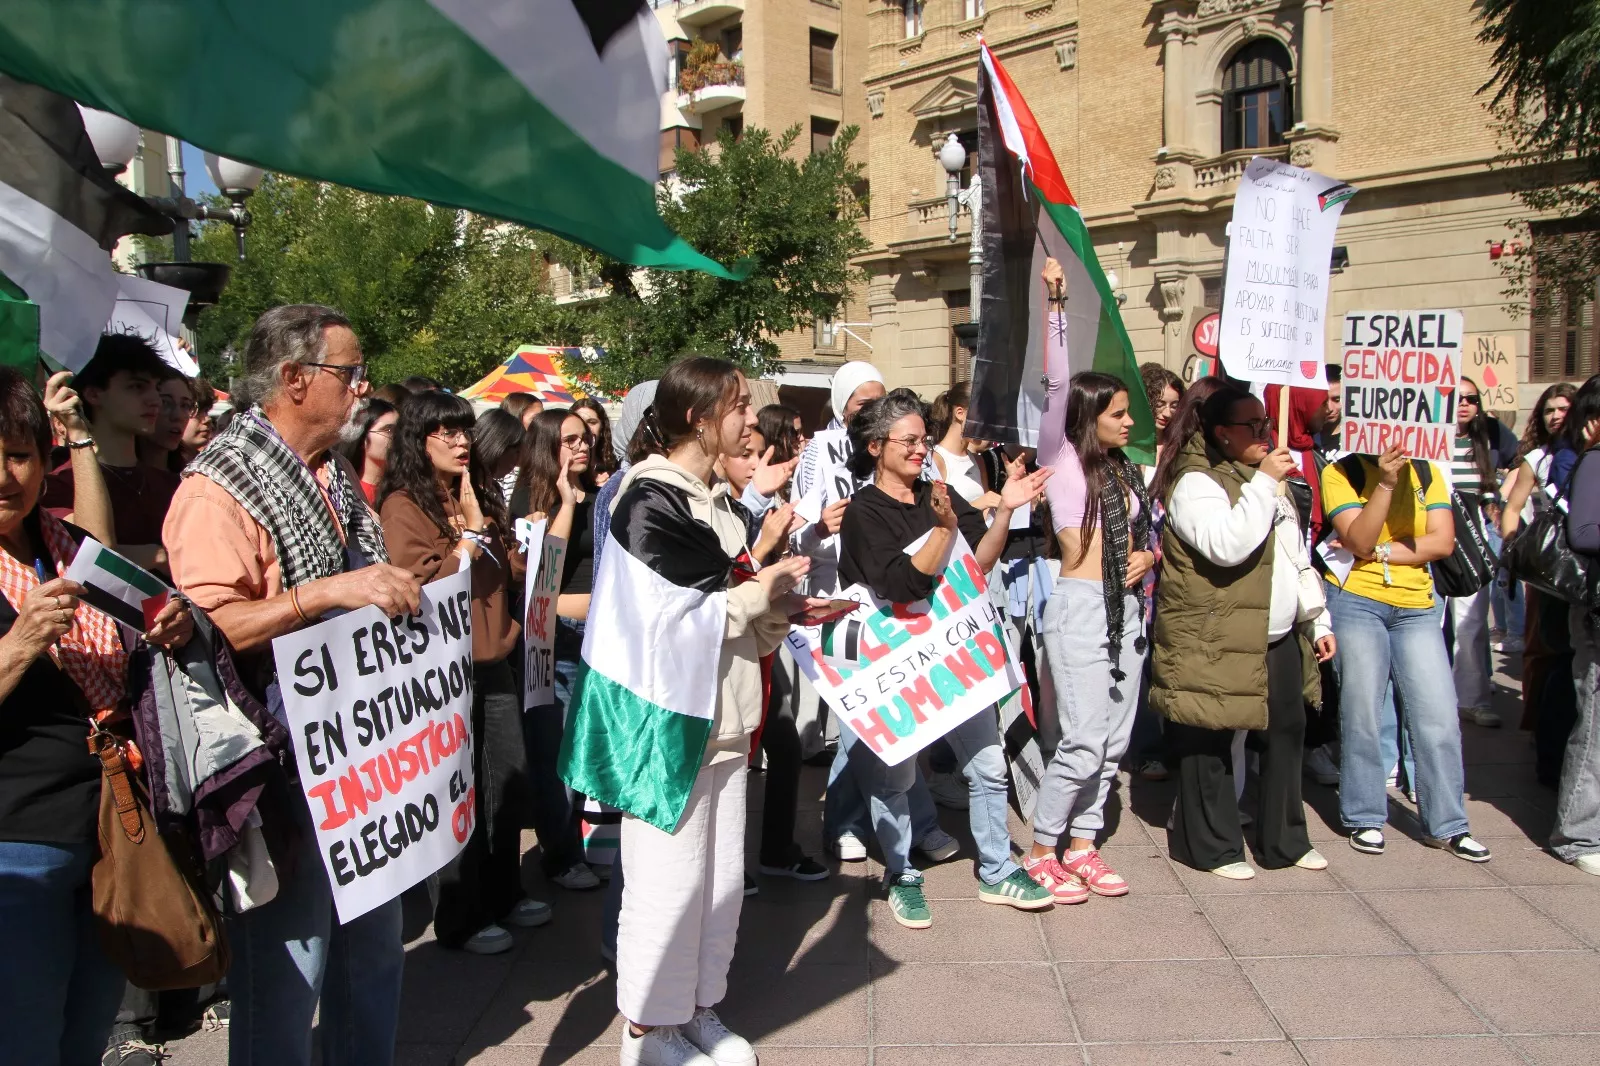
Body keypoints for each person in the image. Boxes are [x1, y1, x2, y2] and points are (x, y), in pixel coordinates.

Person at [163, 305, 424, 1066]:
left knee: (374, 946)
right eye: (349, 373)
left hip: (361, 754)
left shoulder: (333, 477)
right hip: (285, 760)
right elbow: (209, 628)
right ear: (293, 378)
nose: (362, 386)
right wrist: (329, 595)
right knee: (291, 958)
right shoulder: (218, 488)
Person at [575, 358, 805, 1066]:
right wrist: (759, 594)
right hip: (666, 727)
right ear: (699, 416)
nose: (749, 421)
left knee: (720, 881)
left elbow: (733, 608)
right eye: (738, 406)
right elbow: (664, 620)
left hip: (725, 720)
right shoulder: (647, 498)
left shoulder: (716, 501)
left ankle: (698, 1008)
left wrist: (782, 606)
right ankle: (647, 1030)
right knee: (666, 886)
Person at [2, 367, 193, 1066]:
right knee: (22, 1035)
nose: (6, 475)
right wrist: (19, 645)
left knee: (84, 1029)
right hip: (17, 839)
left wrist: (164, 622)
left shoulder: (59, 542)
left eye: (19, 454)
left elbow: (110, 574)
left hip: (107, 826)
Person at [837, 390, 1055, 925]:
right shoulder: (864, 513)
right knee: (897, 778)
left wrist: (1003, 510)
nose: (920, 449)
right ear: (875, 447)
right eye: (908, 441)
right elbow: (904, 584)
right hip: (899, 663)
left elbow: (977, 561)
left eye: (922, 439)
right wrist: (943, 530)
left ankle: (998, 870)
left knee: (987, 764)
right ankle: (900, 871)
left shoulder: (939, 492)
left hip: (955, 654)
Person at [376, 391, 547, 953]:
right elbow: (417, 584)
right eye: (443, 432)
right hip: (443, 670)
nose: (459, 441)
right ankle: (461, 916)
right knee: (458, 792)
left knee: (506, 782)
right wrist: (470, 538)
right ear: (416, 442)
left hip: (494, 660)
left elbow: (512, 570)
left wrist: (509, 536)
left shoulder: (477, 493)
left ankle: (504, 893)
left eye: (462, 430)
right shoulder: (405, 504)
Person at [1152, 385, 1334, 878]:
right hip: (1218, 635)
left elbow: (1296, 553)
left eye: (1265, 424)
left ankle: (1285, 840)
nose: (1264, 433)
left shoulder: (1265, 480)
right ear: (1220, 434)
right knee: (1210, 740)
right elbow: (1227, 545)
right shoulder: (1196, 482)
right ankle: (1211, 846)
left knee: (1286, 734)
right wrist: (1263, 485)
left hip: (1275, 634)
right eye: (1251, 426)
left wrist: (1316, 617)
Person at [1018, 261, 1154, 902]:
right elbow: (1055, 385)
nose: (1129, 423)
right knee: (1083, 736)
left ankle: (1084, 844)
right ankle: (1044, 847)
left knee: (1115, 741)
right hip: (1078, 606)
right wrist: (1056, 304)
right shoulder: (1064, 460)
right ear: (1091, 415)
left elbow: (1147, 539)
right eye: (1119, 413)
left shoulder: (1125, 473)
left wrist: (1148, 562)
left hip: (1126, 608)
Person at [1320, 439, 1491, 861]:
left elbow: (1442, 543)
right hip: (1355, 600)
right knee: (1363, 710)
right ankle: (1364, 816)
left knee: (1438, 713)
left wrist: (1380, 552)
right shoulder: (1340, 471)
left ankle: (1448, 825)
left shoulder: (1429, 470)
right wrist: (1385, 484)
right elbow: (1356, 538)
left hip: (1417, 605)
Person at [513, 409, 603, 892]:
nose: (581, 446)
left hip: (596, 639)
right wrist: (566, 505)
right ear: (547, 446)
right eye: (569, 440)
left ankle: (582, 845)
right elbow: (541, 585)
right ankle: (561, 856)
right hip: (555, 644)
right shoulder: (529, 500)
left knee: (584, 751)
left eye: (585, 437)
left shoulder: (601, 496)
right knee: (555, 757)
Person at [41, 334, 181, 576]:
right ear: (94, 394)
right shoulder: (57, 487)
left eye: (156, 388)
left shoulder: (172, 485)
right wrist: (154, 554)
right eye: (137, 386)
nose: (155, 400)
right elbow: (89, 553)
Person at [1502, 382, 1580, 785]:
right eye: (1549, 409)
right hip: (1551, 574)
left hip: (1584, 572)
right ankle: (1546, 744)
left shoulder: (1587, 455)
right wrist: (1517, 554)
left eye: (1563, 407)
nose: (1555, 415)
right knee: (1549, 655)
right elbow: (1512, 509)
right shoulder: (1537, 458)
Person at [1448, 376, 1519, 729]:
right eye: (1455, 397)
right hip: (1434, 524)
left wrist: (1503, 502)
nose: (1463, 404)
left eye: (1471, 399)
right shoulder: (1429, 435)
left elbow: (1523, 462)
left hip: (1475, 530)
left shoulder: (1490, 431)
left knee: (1471, 619)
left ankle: (1472, 699)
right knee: (1429, 621)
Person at [1555, 374, 1600, 877]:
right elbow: (1584, 531)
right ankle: (1577, 833)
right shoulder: (1595, 460)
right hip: (1594, 611)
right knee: (1595, 725)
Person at [928, 382, 1002, 509]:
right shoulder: (935, 460)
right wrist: (977, 505)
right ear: (960, 413)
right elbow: (935, 515)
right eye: (982, 418)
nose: (986, 426)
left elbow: (987, 513)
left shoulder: (978, 461)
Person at [335, 397, 398, 506]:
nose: (398, 437)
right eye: (388, 430)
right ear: (362, 437)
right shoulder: (348, 495)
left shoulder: (405, 489)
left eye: (401, 430)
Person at [139, 368, 195, 473]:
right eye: (165, 402)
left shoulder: (189, 477)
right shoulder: (113, 477)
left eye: (185, 405)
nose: (178, 416)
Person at [472, 408, 526, 507]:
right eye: (516, 451)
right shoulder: (466, 492)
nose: (518, 459)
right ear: (498, 447)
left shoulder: (494, 488)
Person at [1138, 362, 1184, 473]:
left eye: (1174, 406)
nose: (1167, 413)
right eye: (1159, 404)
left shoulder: (1180, 444)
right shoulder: (1129, 446)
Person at [573, 398, 618, 484]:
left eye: (592, 422)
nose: (586, 428)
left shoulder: (614, 467)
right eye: (580, 421)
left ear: (602, 427)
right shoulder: (567, 467)